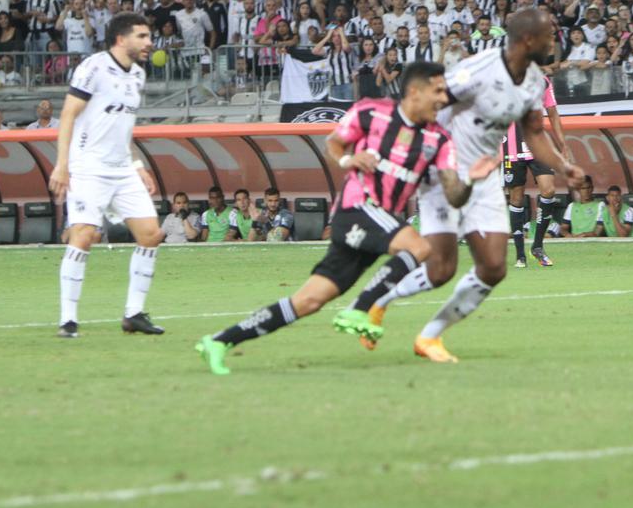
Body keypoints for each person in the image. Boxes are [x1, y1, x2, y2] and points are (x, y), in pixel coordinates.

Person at [194, 62, 497, 375]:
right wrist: (348, 159)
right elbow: (333, 144)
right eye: (437, 91)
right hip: (356, 207)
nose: (443, 98)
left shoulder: (440, 139)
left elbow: (453, 195)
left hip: (378, 223)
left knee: (309, 301)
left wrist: (472, 179)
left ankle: (218, 341)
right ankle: (362, 309)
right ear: (414, 92)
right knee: (419, 248)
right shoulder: (370, 112)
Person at [346, 8, 584, 362]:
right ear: (528, 40)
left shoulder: (535, 80)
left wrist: (564, 167)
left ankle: (429, 337)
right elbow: (429, 102)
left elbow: (534, 133)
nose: (554, 42)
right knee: (441, 268)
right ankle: (376, 302)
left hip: (484, 176)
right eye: (550, 36)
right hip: (445, 170)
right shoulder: (479, 70)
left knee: (493, 267)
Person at [47, 12, 165, 338]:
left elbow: (124, 129)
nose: (149, 42)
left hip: (122, 169)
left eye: (148, 36)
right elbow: (68, 115)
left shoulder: (138, 75)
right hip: (88, 168)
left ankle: (134, 314)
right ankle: (68, 319)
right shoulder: (93, 67)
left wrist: (138, 166)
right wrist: (62, 164)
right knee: (84, 236)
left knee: (151, 235)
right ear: (120, 39)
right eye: (141, 36)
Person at [504, 75, 569, 267]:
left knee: (548, 190)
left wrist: (562, 144)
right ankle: (519, 254)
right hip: (511, 146)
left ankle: (537, 246)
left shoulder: (544, 81)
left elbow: (553, 113)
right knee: (516, 198)